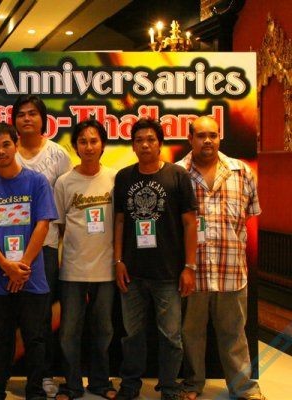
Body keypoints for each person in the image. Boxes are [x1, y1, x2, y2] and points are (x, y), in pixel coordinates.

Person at [0, 95, 71, 397]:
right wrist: (8, 262)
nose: (26, 119)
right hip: (2, 254)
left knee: (40, 319)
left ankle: (43, 376)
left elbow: (62, 205)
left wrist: (30, 257)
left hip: (42, 247)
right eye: (21, 114)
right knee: (2, 322)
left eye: (32, 113)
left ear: (43, 118)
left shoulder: (58, 154)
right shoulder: (1, 153)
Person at [176, 116, 266, 400]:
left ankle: (243, 388)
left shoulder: (242, 171)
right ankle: (193, 384)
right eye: (201, 135)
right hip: (193, 272)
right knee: (191, 334)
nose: (207, 141)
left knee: (234, 335)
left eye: (212, 135)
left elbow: (249, 216)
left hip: (231, 270)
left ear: (220, 137)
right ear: (190, 139)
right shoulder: (178, 174)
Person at [0, 122, 58, 400]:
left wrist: (22, 267)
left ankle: (35, 390)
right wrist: (6, 266)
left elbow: (43, 225)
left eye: (6, 144)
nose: (1, 151)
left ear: (16, 144)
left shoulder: (37, 182)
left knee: (35, 337)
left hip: (32, 276)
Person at [113, 118, 197, 400]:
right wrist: (118, 261)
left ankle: (169, 386)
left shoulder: (177, 176)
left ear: (160, 143)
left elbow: (190, 223)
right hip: (132, 272)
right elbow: (119, 221)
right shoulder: (124, 177)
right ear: (133, 145)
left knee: (171, 336)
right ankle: (130, 385)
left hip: (168, 273)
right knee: (132, 335)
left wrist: (189, 267)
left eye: (150, 139)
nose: (145, 145)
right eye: (139, 140)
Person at [54, 119, 117, 400]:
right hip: (73, 270)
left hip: (106, 269)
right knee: (69, 332)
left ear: (102, 145)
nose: (89, 147)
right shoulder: (64, 182)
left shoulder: (115, 178)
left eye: (94, 141)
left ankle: (101, 383)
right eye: (83, 141)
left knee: (103, 330)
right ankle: (72, 384)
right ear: (75, 146)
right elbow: (59, 227)